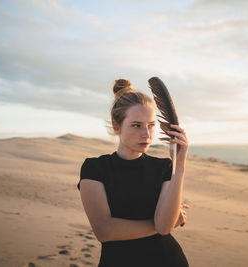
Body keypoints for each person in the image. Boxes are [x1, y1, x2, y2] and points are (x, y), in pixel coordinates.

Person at [77, 78, 189, 267]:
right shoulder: (94, 168)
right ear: (116, 126)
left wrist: (180, 164)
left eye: (151, 125)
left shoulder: (164, 167)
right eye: (136, 125)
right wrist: (164, 222)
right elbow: (104, 230)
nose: (146, 134)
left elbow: (164, 226)